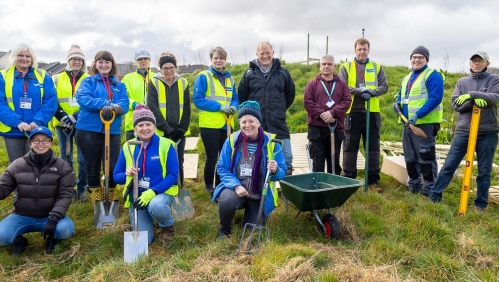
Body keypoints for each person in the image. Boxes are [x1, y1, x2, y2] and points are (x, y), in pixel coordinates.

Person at [429, 51, 499, 213]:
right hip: (464, 131)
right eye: (474, 61)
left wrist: (471, 95)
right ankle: (434, 196)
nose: (476, 63)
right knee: (449, 165)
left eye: (480, 61)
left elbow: (495, 98)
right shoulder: (462, 82)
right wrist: (477, 101)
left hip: (487, 131)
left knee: (484, 171)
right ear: (470, 64)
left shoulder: (495, 79)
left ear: (487, 64)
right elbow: (456, 105)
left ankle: (480, 205)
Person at [212, 101, 286, 237]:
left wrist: (275, 170)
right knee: (226, 200)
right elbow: (222, 168)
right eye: (243, 121)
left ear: (258, 123)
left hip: (259, 194)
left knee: (252, 231)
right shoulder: (232, 141)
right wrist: (235, 186)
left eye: (251, 121)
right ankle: (224, 231)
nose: (247, 125)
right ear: (239, 123)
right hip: (237, 189)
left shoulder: (272, 143)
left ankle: (250, 216)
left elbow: (282, 173)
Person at [0, 127, 75, 255]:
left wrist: (54, 218)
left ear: (51, 143)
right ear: (30, 143)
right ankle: (19, 242)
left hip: (49, 215)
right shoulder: (17, 165)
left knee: (66, 230)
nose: (41, 144)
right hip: (21, 215)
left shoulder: (62, 166)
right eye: (36, 140)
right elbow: (3, 188)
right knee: (1, 236)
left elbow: (65, 195)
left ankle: (53, 238)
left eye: (45, 140)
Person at [113, 105, 178, 246]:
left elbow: (173, 175)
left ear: (154, 127)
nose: (145, 128)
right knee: (144, 242)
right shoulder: (128, 146)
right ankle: (149, 221)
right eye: (140, 125)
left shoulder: (166, 145)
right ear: (135, 128)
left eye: (148, 124)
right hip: (137, 197)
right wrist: (126, 174)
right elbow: (116, 176)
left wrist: (153, 192)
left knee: (156, 206)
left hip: (160, 193)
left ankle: (167, 226)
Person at [75, 51, 129, 201]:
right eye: (100, 62)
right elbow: (83, 100)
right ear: (95, 64)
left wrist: (117, 108)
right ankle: (97, 202)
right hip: (88, 130)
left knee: (113, 168)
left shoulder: (120, 85)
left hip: (112, 130)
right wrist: (107, 104)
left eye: (107, 62)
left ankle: (110, 198)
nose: (104, 65)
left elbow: (125, 104)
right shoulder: (88, 82)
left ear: (112, 64)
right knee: (92, 168)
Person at [338, 38, 388, 193]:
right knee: (350, 147)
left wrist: (373, 92)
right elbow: (342, 86)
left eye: (364, 49)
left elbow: (384, 86)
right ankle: (349, 179)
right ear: (355, 50)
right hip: (352, 113)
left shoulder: (377, 67)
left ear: (368, 50)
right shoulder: (346, 67)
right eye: (359, 49)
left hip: (371, 113)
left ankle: (372, 180)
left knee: (373, 149)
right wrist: (361, 91)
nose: (362, 52)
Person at [238, 41, 295, 176]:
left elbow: (290, 94)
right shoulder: (248, 74)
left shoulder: (283, 73)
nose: (265, 56)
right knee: (257, 158)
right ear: (257, 55)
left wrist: (280, 108)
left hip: (278, 123)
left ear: (273, 54)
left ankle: (287, 190)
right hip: (257, 125)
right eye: (262, 53)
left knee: (287, 158)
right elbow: (242, 96)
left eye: (267, 53)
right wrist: (252, 117)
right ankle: (258, 187)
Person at [394, 46, 444, 196]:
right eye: (414, 57)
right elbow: (403, 96)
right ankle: (414, 185)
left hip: (425, 124)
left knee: (425, 156)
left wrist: (418, 115)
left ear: (426, 59)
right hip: (408, 124)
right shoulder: (407, 77)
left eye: (420, 57)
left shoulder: (433, 75)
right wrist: (397, 103)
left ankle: (429, 188)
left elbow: (435, 98)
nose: (416, 60)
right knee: (409, 156)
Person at [0, 42, 57, 167]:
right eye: (20, 55)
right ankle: (16, 188)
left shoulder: (43, 76)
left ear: (32, 59)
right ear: (14, 57)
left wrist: (38, 121)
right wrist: (17, 122)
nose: (24, 59)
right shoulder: (3, 76)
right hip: (13, 130)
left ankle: (36, 187)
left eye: (28, 56)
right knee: (16, 167)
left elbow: (51, 101)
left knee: (37, 165)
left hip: (36, 129)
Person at [193, 47, 238, 196]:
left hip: (227, 124)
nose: (219, 61)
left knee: (224, 157)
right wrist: (220, 107)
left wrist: (233, 107)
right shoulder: (203, 76)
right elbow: (198, 99)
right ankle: (209, 187)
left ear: (225, 60)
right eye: (215, 58)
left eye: (221, 58)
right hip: (209, 124)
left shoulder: (230, 79)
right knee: (212, 157)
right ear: (211, 60)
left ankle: (220, 185)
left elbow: (235, 99)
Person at [52, 44, 90, 202]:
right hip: (62, 124)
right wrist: (63, 117)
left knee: (83, 158)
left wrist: (75, 116)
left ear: (83, 62)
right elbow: (51, 99)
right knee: (66, 156)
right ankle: (68, 188)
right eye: (73, 59)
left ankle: (82, 188)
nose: (76, 62)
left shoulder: (88, 79)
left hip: (83, 122)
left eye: (79, 59)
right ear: (68, 61)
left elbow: (89, 101)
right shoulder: (56, 78)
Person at [147, 52, 191, 188]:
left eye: (171, 67)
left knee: (178, 162)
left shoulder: (183, 82)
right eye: (165, 68)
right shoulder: (154, 83)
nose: (168, 71)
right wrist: (168, 129)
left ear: (175, 68)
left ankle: (178, 190)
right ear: (160, 69)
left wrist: (182, 129)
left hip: (179, 132)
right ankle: (163, 190)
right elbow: (153, 108)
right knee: (162, 162)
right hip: (161, 132)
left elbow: (187, 108)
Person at [304, 55, 352, 174]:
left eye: (329, 64)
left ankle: (333, 188)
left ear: (334, 67)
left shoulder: (342, 84)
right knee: (317, 161)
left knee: (333, 162)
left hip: (335, 129)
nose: (326, 66)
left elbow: (347, 101)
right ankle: (318, 189)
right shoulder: (312, 84)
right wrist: (322, 114)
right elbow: (307, 102)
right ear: (320, 67)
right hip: (316, 130)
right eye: (324, 64)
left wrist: (332, 113)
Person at [122, 49, 157, 140]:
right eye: (140, 59)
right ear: (136, 62)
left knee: (152, 153)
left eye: (145, 59)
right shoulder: (127, 78)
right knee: (134, 153)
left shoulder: (157, 77)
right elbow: (122, 97)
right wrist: (134, 104)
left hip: (153, 123)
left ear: (149, 61)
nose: (143, 61)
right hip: (132, 124)